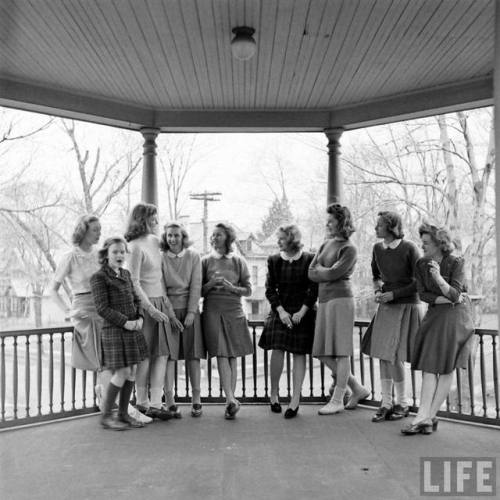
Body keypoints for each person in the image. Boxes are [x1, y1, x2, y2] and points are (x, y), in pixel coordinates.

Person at [402, 223, 474, 435]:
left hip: (456, 318)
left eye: (426, 243)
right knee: (429, 366)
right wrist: (443, 298)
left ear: (439, 244)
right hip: (435, 315)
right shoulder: (421, 263)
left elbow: (456, 295)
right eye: (421, 242)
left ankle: (425, 417)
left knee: (445, 367)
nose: (422, 246)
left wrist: (439, 279)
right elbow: (422, 294)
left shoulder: (456, 262)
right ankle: (425, 417)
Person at [308, 203, 370, 415]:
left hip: (342, 301)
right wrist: (327, 271)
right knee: (321, 352)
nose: (328, 224)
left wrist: (323, 271)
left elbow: (334, 274)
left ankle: (337, 399)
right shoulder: (325, 244)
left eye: (332, 221)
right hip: (324, 301)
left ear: (342, 223)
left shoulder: (350, 248)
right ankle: (357, 388)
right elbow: (311, 272)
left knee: (342, 351)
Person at [125, 203, 183, 420]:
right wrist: (149, 308)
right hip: (144, 305)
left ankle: (157, 404)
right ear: (142, 220)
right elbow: (134, 282)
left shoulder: (155, 242)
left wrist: (165, 305)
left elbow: (161, 272)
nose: (157, 223)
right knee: (145, 356)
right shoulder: (134, 246)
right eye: (153, 220)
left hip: (160, 302)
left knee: (162, 354)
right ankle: (141, 403)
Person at [365, 211, 422, 423]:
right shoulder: (377, 248)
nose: (375, 228)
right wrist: (378, 292)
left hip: (406, 305)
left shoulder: (409, 248)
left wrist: (394, 294)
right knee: (382, 354)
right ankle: (386, 403)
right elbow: (375, 276)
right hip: (386, 307)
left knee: (395, 355)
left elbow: (419, 281)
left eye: (379, 225)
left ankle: (402, 403)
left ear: (391, 227)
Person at [258, 224, 318, 418]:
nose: (278, 242)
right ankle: (274, 395)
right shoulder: (274, 260)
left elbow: (313, 289)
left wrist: (302, 311)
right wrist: (281, 312)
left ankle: (295, 400)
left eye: (282, 238)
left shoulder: (309, 259)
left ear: (292, 239)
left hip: (303, 311)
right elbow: (269, 289)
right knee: (278, 350)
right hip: (280, 311)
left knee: (299, 354)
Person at [90, 236, 148, 430]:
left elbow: (137, 300)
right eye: (115, 251)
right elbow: (102, 308)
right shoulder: (99, 277)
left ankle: (123, 415)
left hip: (132, 328)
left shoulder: (126, 274)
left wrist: (140, 318)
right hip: (115, 331)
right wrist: (126, 323)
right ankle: (106, 416)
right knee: (122, 371)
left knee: (132, 370)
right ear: (106, 255)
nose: (119, 255)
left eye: (122, 251)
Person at [201, 223, 253, 419]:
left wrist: (232, 288)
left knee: (232, 356)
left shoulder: (239, 261)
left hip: (234, 311)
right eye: (213, 235)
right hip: (212, 310)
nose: (214, 238)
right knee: (221, 353)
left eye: (218, 235)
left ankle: (230, 403)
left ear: (228, 238)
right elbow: (198, 291)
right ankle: (231, 398)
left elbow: (248, 290)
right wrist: (211, 284)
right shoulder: (204, 261)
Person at [160, 221, 205, 417]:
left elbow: (196, 286)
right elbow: (160, 289)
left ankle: (196, 399)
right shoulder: (161, 258)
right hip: (168, 312)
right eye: (169, 235)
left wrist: (191, 313)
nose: (172, 239)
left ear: (183, 237)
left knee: (193, 356)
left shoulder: (194, 256)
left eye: (176, 235)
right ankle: (169, 400)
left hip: (190, 312)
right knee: (170, 358)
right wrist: (170, 315)